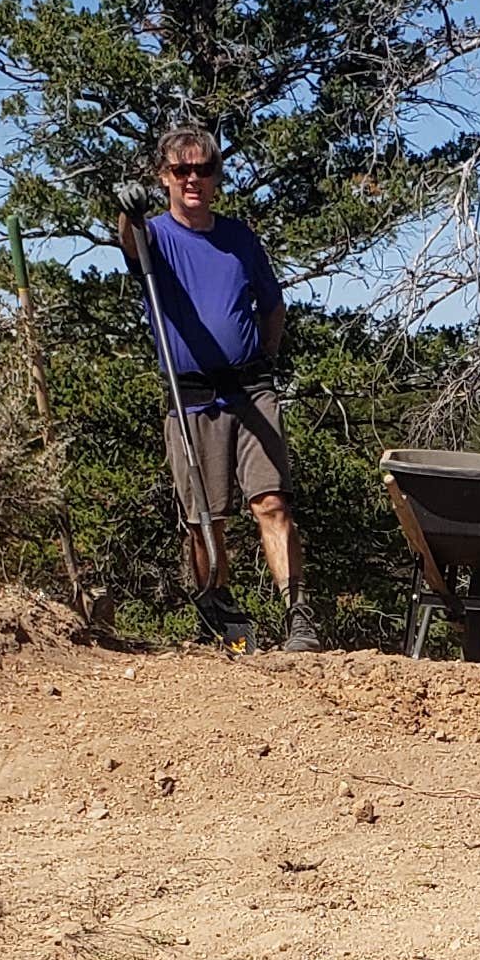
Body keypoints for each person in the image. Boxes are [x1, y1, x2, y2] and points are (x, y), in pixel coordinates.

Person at [128, 119, 315, 651]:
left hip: (252, 391)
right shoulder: (153, 236)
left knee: (273, 501)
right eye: (181, 169)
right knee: (205, 519)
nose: (193, 179)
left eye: (203, 169)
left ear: (216, 177)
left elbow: (272, 304)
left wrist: (268, 359)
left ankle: (298, 616)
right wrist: (129, 211)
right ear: (164, 176)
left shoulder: (238, 238)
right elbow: (129, 241)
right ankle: (220, 609)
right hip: (190, 399)